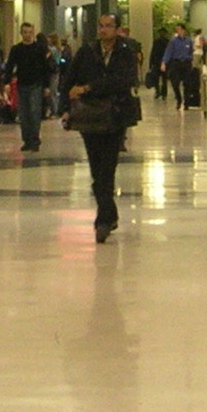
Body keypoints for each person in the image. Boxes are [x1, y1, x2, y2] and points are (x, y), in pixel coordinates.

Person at [64, 14, 140, 244]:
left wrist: (88, 87)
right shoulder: (87, 52)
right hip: (90, 117)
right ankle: (109, 214)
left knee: (107, 168)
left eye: (109, 26)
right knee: (97, 170)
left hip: (115, 117)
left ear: (117, 29)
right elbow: (70, 79)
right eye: (101, 26)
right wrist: (66, 104)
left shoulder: (126, 53)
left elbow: (123, 81)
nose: (104, 30)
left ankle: (103, 220)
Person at [4, 24, 52, 153]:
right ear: (21, 33)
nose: (27, 35)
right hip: (22, 84)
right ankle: (27, 140)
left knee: (34, 113)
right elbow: (10, 66)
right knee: (23, 114)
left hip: (36, 85)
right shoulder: (16, 49)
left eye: (30, 32)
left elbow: (45, 68)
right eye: (25, 32)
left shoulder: (40, 48)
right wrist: (6, 82)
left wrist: (47, 86)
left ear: (33, 33)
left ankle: (35, 140)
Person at [163, 26, 196, 110]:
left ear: (184, 30)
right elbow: (168, 52)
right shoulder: (173, 41)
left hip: (186, 63)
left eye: (181, 30)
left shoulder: (189, 41)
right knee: (175, 83)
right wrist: (164, 62)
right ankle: (178, 99)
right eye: (178, 30)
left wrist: (191, 59)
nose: (179, 31)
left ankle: (187, 103)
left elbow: (191, 52)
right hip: (176, 63)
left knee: (187, 83)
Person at [148, 28, 170, 102]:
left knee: (163, 79)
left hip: (163, 62)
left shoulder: (167, 42)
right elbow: (153, 52)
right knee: (157, 78)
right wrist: (151, 63)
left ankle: (162, 93)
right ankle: (159, 91)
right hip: (158, 62)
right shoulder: (157, 42)